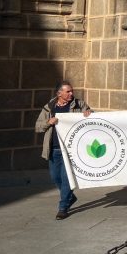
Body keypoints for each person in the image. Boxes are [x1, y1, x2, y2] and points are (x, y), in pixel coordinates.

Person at [35, 80, 92, 220]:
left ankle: (63, 207)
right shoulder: (49, 107)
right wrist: (48, 122)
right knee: (56, 177)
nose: (71, 94)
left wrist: (89, 113)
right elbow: (37, 127)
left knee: (67, 179)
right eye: (68, 91)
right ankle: (70, 197)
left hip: (71, 150)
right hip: (54, 149)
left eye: (72, 91)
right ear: (59, 93)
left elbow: (92, 117)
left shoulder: (79, 104)